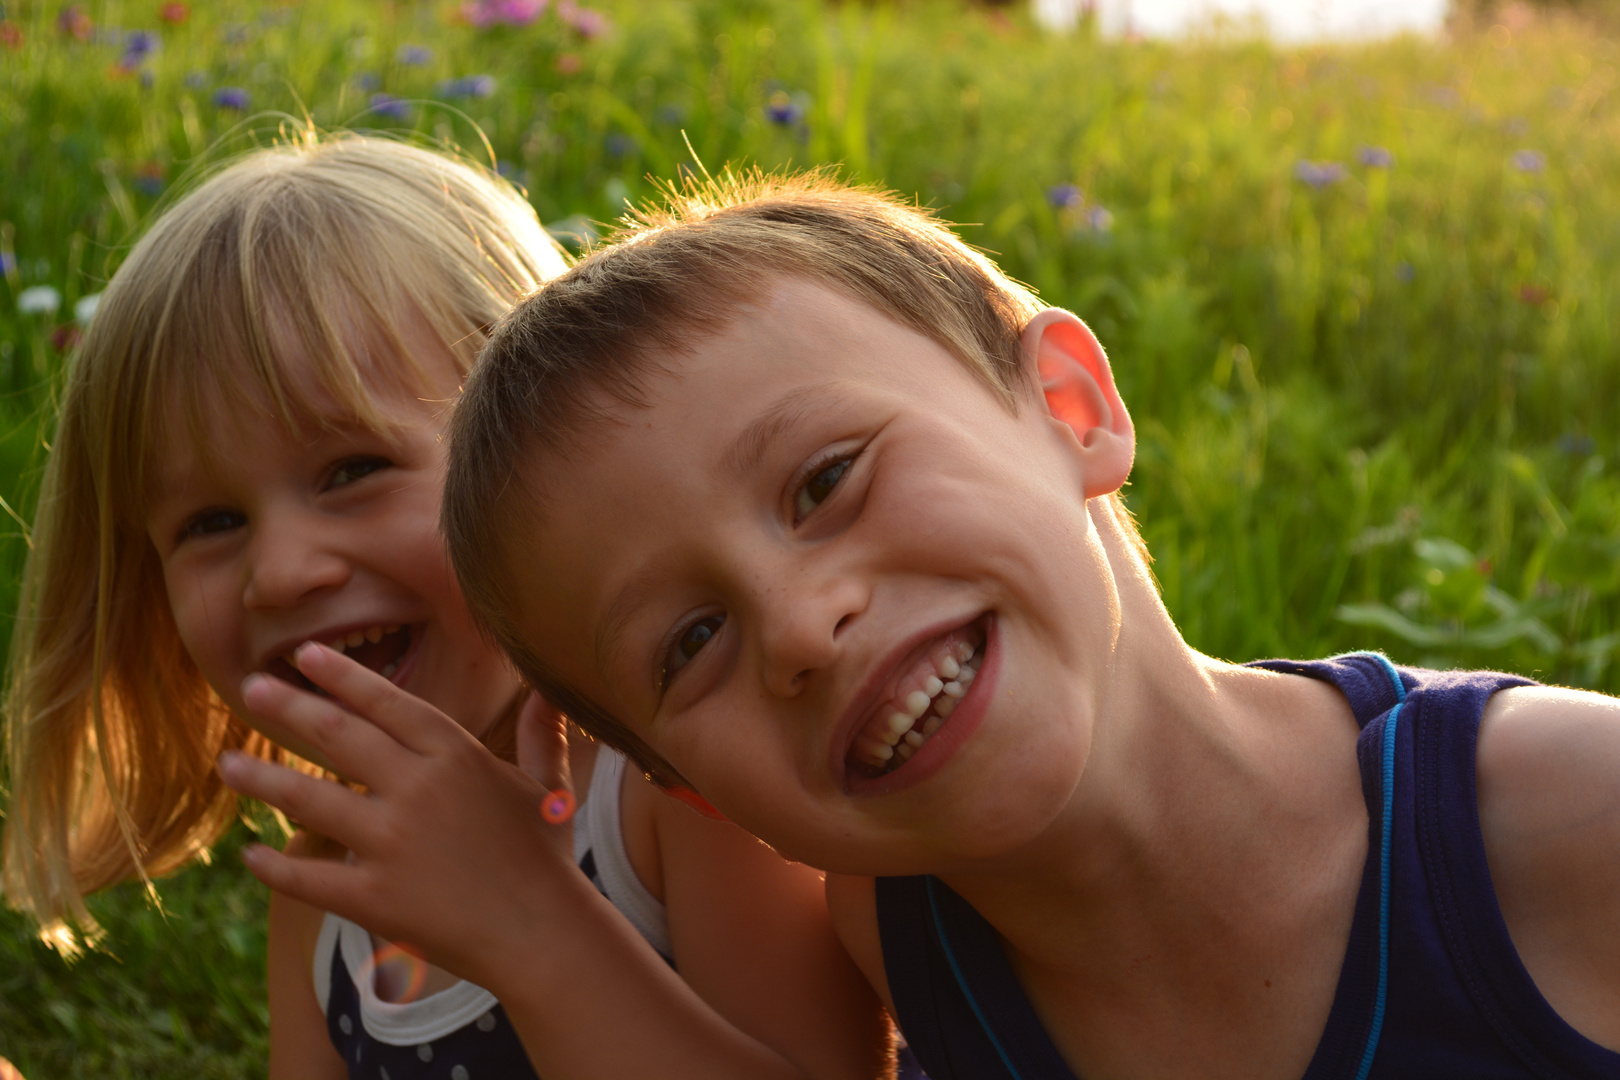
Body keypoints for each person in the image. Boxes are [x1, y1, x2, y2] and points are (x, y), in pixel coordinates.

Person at [222, 171, 1620, 1080]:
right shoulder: (913, 942)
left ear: (1072, 407)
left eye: (827, 481)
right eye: (688, 642)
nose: (800, 623)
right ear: (700, 793)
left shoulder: (1558, 823)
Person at [1, 141, 889, 1080]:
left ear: (532, 463)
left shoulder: (677, 789)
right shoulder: (326, 900)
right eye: (211, 522)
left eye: (353, 471)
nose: (281, 571)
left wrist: (526, 922)